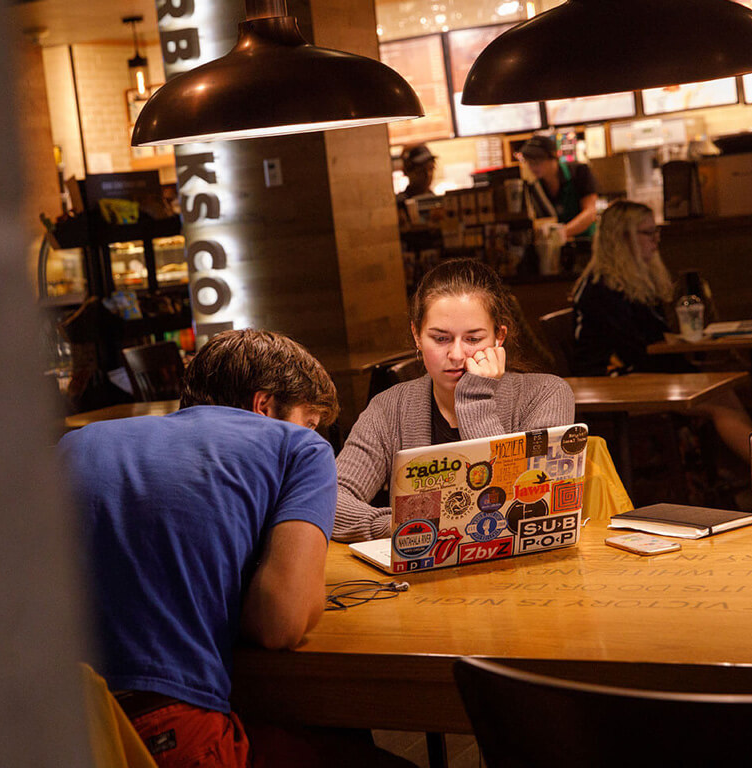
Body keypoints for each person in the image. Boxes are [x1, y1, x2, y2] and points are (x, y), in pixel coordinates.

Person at [60, 328, 407, 767]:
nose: (312, 433)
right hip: (165, 728)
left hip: (53, 725)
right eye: (310, 420)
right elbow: (280, 623)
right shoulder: (297, 446)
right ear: (264, 407)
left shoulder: (79, 441)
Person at [333, 259, 575, 542]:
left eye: (473, 339)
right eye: (441, 338)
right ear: (417, 336)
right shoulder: (389, 408)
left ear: (499, 337)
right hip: (420, 579)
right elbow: (331, 500)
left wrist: (475, 398)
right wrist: (401, 526)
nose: (457, 355)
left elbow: (524, 508)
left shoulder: (547, 395)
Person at [571, 200, 752, 461]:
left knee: (723, 393)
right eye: (648, 233)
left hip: (636, 373)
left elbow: (650, 341)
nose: (656, 240)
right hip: (609, 382)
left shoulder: (631, 282)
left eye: (656, 232)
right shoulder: (601, 287)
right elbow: (636, 349)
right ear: (622, 238)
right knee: (719, 403)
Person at [517, 134, 598, 241]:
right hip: (555, 248)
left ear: (554, 157)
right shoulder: (535, 186)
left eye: (538, 160)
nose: (532, 166)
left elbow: (590, 213)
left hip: (586, 244)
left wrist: (563, 232)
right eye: (529, 161)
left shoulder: (579, 172)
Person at [396, 143, 437, 230]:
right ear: (406, 171)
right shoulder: (399, 205)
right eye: (421, 170)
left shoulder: (438, 203)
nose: (427, 175)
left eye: (430, 168)